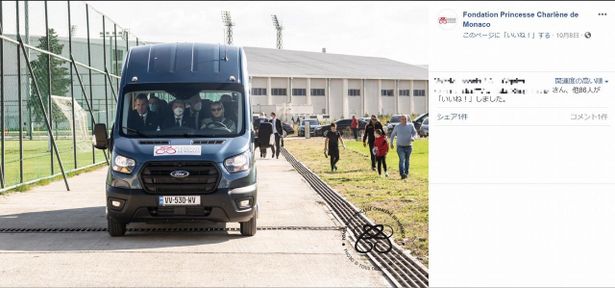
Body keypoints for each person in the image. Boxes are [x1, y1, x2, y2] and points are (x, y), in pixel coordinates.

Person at [389, 114, 418, 180]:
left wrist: (413, 137)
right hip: (400, 147)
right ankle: (402, 174)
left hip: (409, 146)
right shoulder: (397, 126)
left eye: (405, 119)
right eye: (402, 119)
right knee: (402, 160)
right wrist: (391, 143)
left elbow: (415, 133)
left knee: (407, 160)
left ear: (407, 119)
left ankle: (406, 173)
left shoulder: (411, 125)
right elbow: (393, 135)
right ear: (400, 120)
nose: (404, 120)